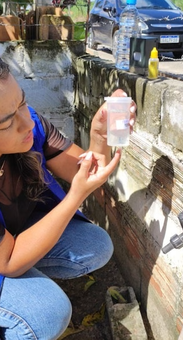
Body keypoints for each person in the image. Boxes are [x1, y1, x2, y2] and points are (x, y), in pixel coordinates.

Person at [0, 57, 136, 340]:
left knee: (94, 245)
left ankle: (26, 281)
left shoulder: (32, 124)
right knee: (47, 313)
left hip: (9, 241)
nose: (26, 122)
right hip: (5, 254)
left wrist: (99, 135)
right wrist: (75, 197)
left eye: (22, 103)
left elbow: (84, 170)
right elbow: (9, 261)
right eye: (7, 122)